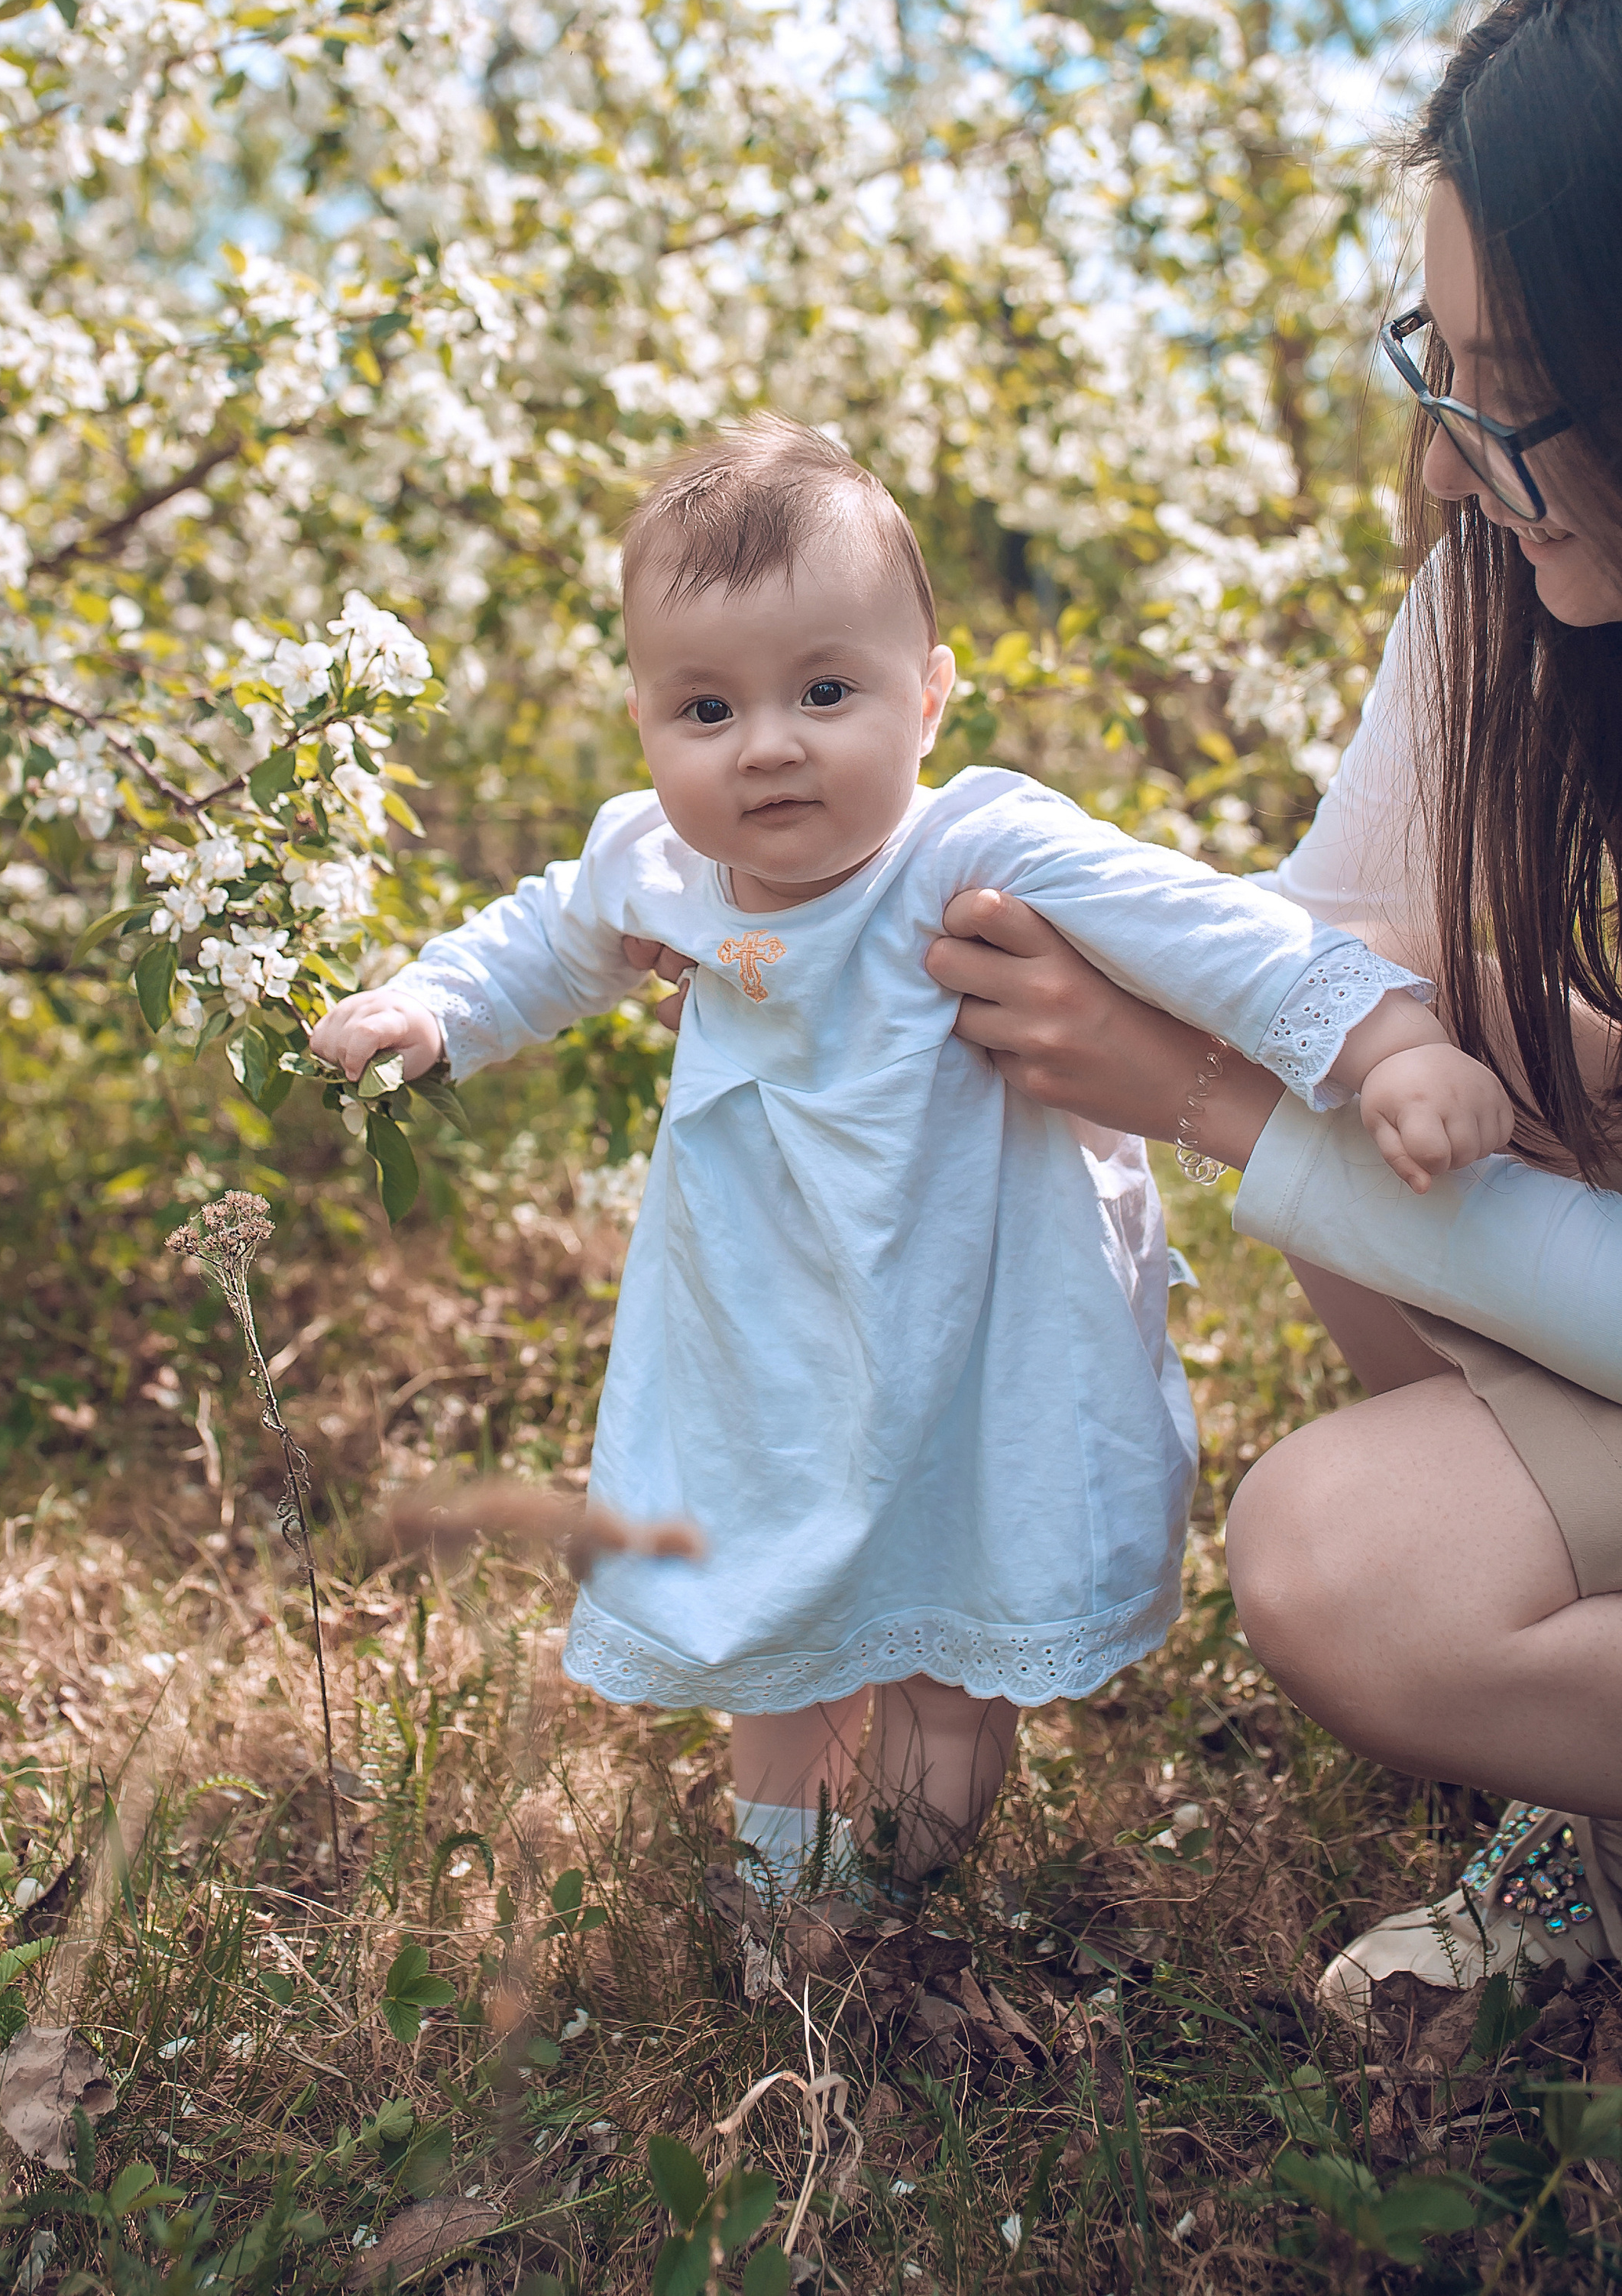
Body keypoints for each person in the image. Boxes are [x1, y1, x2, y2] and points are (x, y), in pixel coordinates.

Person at [313, 418, 1507, 1897]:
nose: (767, 742)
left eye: (824, 689)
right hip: (761, 1337)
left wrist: (1385, 1046)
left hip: (974, 1328)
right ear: (643, 721)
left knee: (950, 1649)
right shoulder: (658, 865)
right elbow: (540, 941)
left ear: (926, 695)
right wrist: (432, 1006)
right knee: (774, 1640)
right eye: (705, 706)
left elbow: (1223, 936)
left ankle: (893, 1889)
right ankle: (788, 1915)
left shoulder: (972, 848)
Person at [921, 0, 1622, 2002]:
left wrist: (1214, 1098)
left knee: (1350, 1558)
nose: (1443, 463)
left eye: (1508, 396)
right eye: (1435, 367)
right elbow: (1315, 953)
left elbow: (1247, 1045)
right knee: (1405, 1078)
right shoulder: (1510, 591)